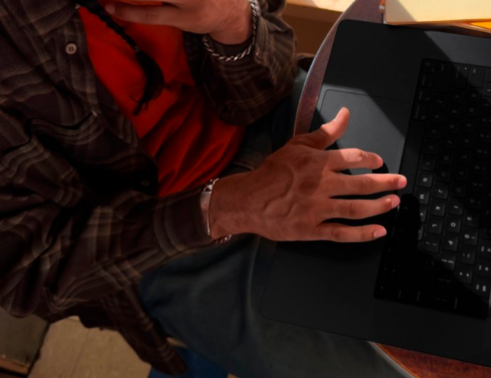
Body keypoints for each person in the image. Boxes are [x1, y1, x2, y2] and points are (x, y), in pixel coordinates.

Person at [0, 1, 411, 377]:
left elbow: (268, 80)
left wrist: (233, 24)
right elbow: (28, 274)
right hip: (160, 240)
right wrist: (230, 206)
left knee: (445, 202)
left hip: (270, 122)